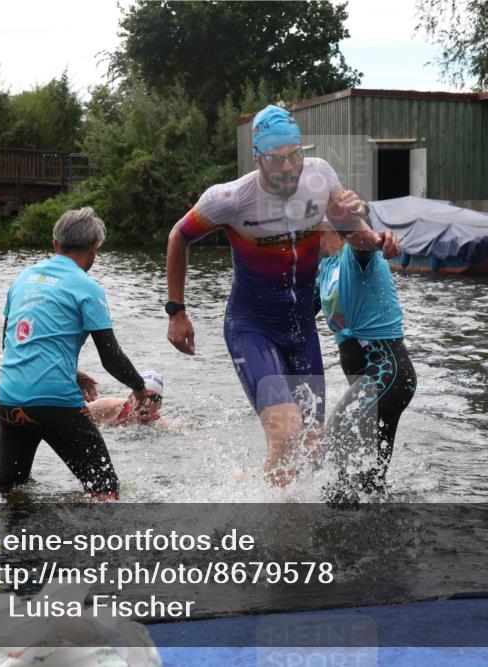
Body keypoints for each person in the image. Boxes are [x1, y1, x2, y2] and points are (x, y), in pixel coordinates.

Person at [165, 104, 400, 486]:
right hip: (252, 327)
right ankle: (274, 527)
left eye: (295, 156)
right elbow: (180, 235)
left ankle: (276, 509)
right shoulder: (229, 199)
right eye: (277, 160)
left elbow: (348, 225)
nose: (290, 168)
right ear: (258, 157)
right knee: (287, 431)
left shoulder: (320, 175)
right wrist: (177, 311)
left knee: (312, 443)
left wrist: (378, 240)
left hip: (301, 330)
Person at [0, 207, 158, 499]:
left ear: (56, 245)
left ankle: (6, 541)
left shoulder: (22, 278)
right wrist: (139, 388)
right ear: (93, 250)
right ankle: (99, 544)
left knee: (12, 490)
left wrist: (69, 370)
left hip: (8, 399)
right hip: (54, 403)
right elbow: (111, 357)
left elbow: (12, 343)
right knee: (105, 488)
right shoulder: (87, 288)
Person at [316, 227, 416, 504]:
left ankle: (332, 535)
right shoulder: (325, 268)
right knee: (370, 483)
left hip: (387, 374)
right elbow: (293, 314)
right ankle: (378, 537)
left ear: (323, 228)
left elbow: (367, 243)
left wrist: (381, 240)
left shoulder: (355, 255)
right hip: (374, 381)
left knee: (335, 443)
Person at [87, 370, 165, 427]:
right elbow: (79, 410)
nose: (147, 403)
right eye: (142, 397)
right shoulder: (109, 407)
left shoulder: (160, 424)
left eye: (154, 398)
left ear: (160, 404)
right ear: (130, 398)